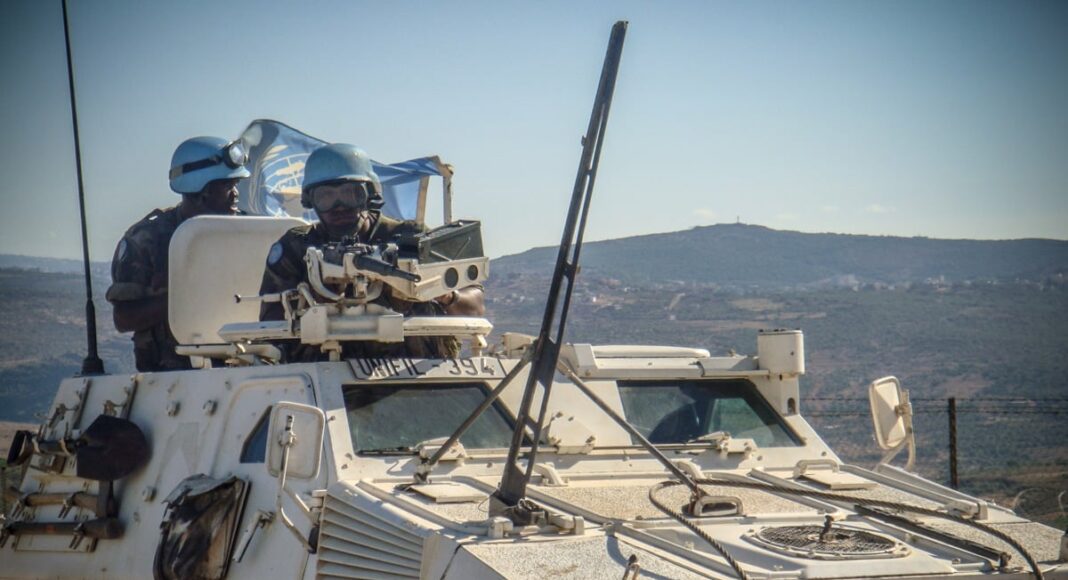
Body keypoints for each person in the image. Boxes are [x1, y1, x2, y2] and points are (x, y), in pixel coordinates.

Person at [259, 143, 484, 360]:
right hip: (326, 373)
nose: (338, 206)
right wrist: (316, 300)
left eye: (349, 194)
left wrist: (440, 291)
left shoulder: (413, 240)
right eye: (325, 197)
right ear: (311, 201)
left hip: (415, 373)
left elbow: (474, 308)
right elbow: (270, 323)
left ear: (369, 195)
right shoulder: (296, 248)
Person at [106, 136, 250, 372]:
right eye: (227, 186)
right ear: (202, 191)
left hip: (243, 368)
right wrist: (190, 297)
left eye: (235, 185)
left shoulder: (247, 232)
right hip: (170, 379)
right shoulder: (147, 239)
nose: (235, 194)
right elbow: (124, 318)